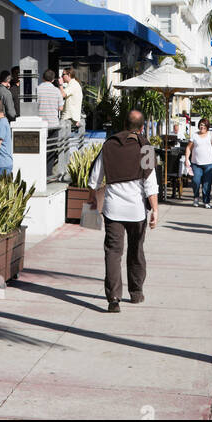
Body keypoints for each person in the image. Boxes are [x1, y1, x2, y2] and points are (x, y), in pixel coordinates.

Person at [87, 109, 158, 312]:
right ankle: (136, 293)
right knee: (136, 251)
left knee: (113, 252)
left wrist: (91, 199)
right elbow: (150, 184)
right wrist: (155, 210)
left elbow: (95, 178)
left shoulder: (109, 145)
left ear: (124, 125)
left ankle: (113, 299)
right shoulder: (145, 147)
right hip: (136, 211)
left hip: (113, 210)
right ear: (142, 127)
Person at [184, 117, 212, 208]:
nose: (202, 127)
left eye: (204, 125)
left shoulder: (211, 134)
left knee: (207, 183)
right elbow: (189, 147)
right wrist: (186, 159)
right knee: (196, 181)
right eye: (200, 125)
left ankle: (206, 201)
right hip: (196, 163)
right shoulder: (194, 135)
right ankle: (196, 197)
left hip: (209, 163)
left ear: (207, 126)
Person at [60, 68, 84, 132]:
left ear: (69, 75)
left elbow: (62, 95)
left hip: (69, 116)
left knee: (62, 137)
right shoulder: (73, 84)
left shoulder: (73, 84)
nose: (62, 76)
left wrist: (60, 85)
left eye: (63, 74)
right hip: (71, 116)